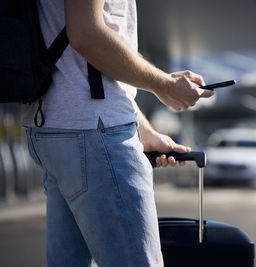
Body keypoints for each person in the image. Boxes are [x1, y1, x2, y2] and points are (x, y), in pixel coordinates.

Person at [23, 0, 214, 266]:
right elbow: (86, 34)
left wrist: (142, 128)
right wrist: (164, 85)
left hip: (55, 127)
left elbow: (81, 59)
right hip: (94, 135)